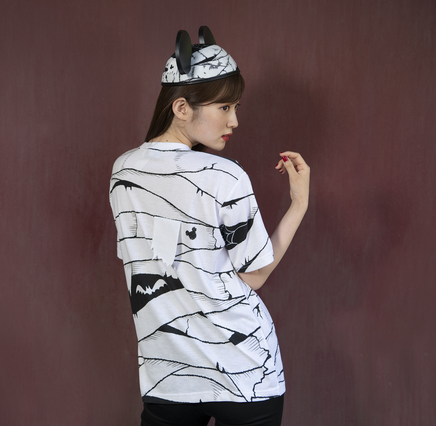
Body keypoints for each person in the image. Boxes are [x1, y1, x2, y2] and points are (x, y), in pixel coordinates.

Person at [109, 26, 310, 426]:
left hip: (167, 374)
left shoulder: (123, 172)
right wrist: (299, 204)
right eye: (224, 107)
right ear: (182, 108)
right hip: (246, 372)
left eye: (235, 107)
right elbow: (253, 277)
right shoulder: (224, 175)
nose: (234, 120)